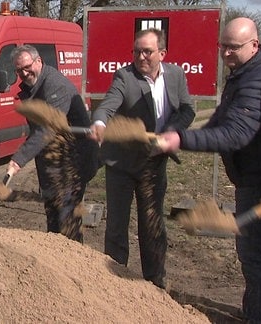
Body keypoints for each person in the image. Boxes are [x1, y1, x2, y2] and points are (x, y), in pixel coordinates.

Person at [160, 17, 261, 323]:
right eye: (223, 46)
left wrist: (181, 138)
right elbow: (223, 118)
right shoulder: (245, 70)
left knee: (252, 250)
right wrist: (195, 136)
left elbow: (236, 134)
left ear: (254, 45)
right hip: (260, 170)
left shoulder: (257, 81)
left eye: (233, 48)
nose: (225, 54)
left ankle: (256, 316)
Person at [88, 28, 195, 289]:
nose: (140, 56)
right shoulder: (125, 76)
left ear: (162, 53)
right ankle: (115, 282)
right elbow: (109, 103)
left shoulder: (176, 76)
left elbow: (187, 109)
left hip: (154, 163)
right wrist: (100, 121)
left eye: (147, 51)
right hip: (121, 164)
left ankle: (155, 282)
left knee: (152, 223)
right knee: (116, 225)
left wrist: (170, 132)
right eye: (136, 51)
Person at [7, 45, 99, 243]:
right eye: (19, 70)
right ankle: (55, 266)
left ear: (38, 61)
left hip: (73, 162)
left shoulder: (55, 84)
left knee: (68, 222)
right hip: (52, 163)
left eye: (27, 67)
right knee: (53, 219)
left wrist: (18, 160)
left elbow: (48, 128)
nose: (24, 73)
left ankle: (73, 266)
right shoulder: (32, 88)